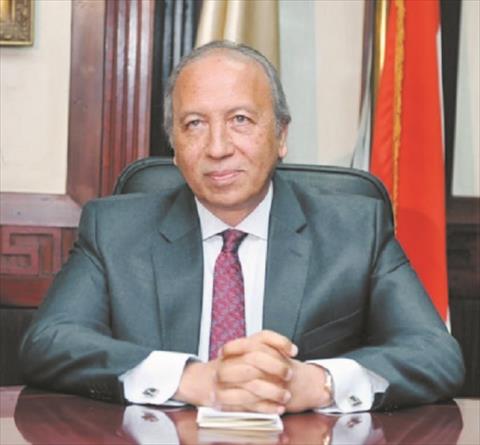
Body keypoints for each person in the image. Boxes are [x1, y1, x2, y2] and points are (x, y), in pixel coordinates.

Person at [20, 41, 464, 414]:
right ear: (174, 146)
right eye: (195, 124)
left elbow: (435, 354)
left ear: (281, 136)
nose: (217, 147)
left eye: (240, 120)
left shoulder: (355, 230)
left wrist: (316, 383)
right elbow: (49, 342)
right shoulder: (115, 230)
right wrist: (192, 380)